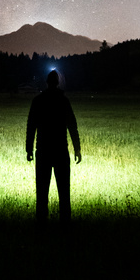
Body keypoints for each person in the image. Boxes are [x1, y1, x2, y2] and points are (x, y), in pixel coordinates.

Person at [26, 69, 81, 223]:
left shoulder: (38, 100)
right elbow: (72, 125)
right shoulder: (63, 100)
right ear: (57, 82)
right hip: (60, 151)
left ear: (46, 82)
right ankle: (65, 222)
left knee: (42, 191)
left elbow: (31, 126)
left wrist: (29, 149)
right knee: (64, 191)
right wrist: (77, 148)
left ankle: (41, 222)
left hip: (43, 151)